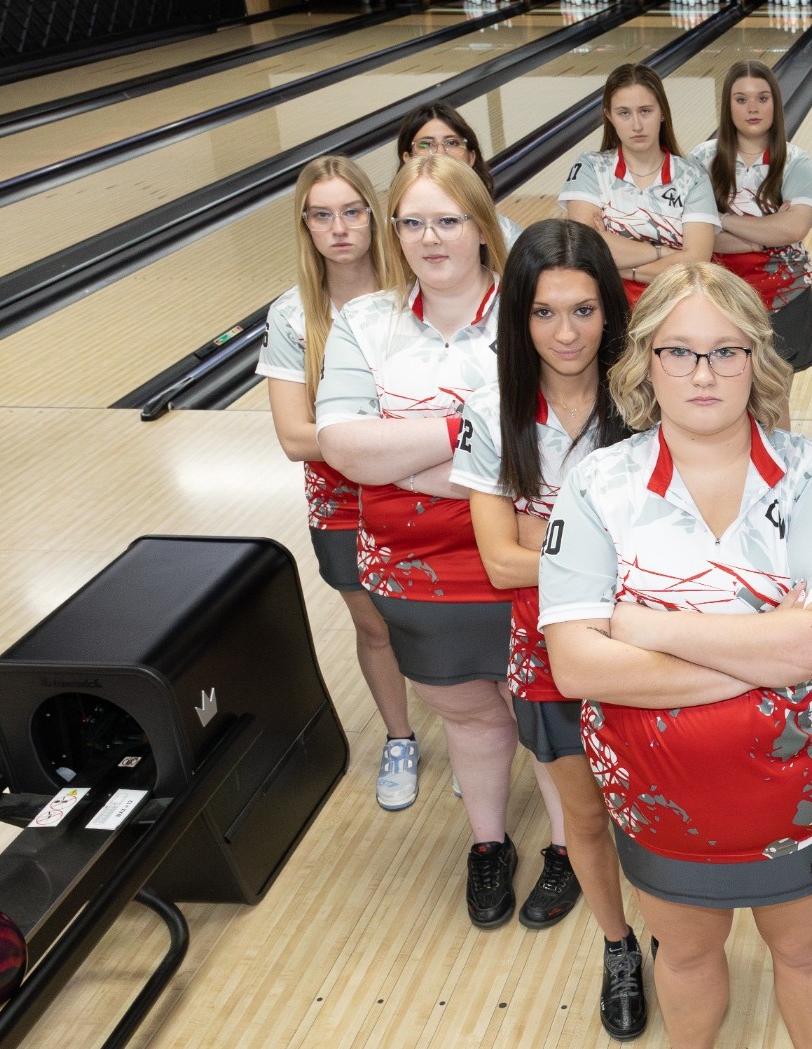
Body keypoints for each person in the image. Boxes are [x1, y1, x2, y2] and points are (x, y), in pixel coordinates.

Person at [539, 262, 812, 1049]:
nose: (702, 373)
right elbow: (578, 667)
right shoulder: (597, 484)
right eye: (678, 351)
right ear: (645, 360)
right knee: (685, 953)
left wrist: (645, 625)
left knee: (802, 947)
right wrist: (769, 650)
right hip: (663, 798)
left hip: (798, 790)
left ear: (756, 359)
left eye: (726, 351)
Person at [448, 220, 648, 1036]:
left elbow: (670, 547)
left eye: (583, 310)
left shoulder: (644, 398)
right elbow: (497, 560)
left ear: (611, 315)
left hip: (646, 641)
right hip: (547, 650)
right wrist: (607, 553)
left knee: (656, 814)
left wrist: (549, 541)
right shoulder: (492, 411)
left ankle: (674, 931)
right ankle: (618, 944)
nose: (564, 333)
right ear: (518, 321)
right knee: (589, 818)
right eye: (543, 312)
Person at [315, 153, 522, 927]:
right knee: (467, 713)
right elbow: (344, 448)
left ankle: (569, 854)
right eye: (411, 222)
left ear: (482, 226)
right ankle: (488, 844)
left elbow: (548, 451)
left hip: (524, 554)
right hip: (414, 573)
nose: (429, 238)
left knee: (553, 719)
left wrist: (404, 449)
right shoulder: (363, 321)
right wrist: (470, 432)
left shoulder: (529, 314)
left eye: (448, 220)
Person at [257, 156, 416, 811]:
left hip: (422, 487)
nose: (339, 227)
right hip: (344, 499)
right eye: (322, 215)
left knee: (444, 616)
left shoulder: (412, 292)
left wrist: (354, 437)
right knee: (375, 626)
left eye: (351, 211)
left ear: (373, 215)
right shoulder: (294, 314)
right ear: (305, 225)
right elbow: (292, 437)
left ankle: (473, 726)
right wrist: (387, 437)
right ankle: (401, 736)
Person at [689, 60, 812, 374]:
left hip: (784, 298)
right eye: (741, 99)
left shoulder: (796, 161)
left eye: (762, 98)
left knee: (775, 403)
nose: (753, 108)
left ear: (775, 104)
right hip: (716, 298)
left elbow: (793, 227)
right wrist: (766, 235)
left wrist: (719, 219)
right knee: (722, 399)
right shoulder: (701, 159)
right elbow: (694, 236)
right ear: (728, 105)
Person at [561, 63, 717, 305]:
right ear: (609, 116)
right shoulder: (591, 168)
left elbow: (696, 260)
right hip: (605, 308)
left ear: (662, 112)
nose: (636, 125)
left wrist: (622, 266)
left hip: (674, 308)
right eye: (624, 113)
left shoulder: (693, 176)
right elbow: (584, 246)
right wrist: (664, 251)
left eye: (645, 111)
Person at [395, 101, 524, 245]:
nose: (440, 152)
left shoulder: (508, 235)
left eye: (452, 143)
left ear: (471, 157)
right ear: (407, 158)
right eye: (426, 144)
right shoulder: (388, 232)